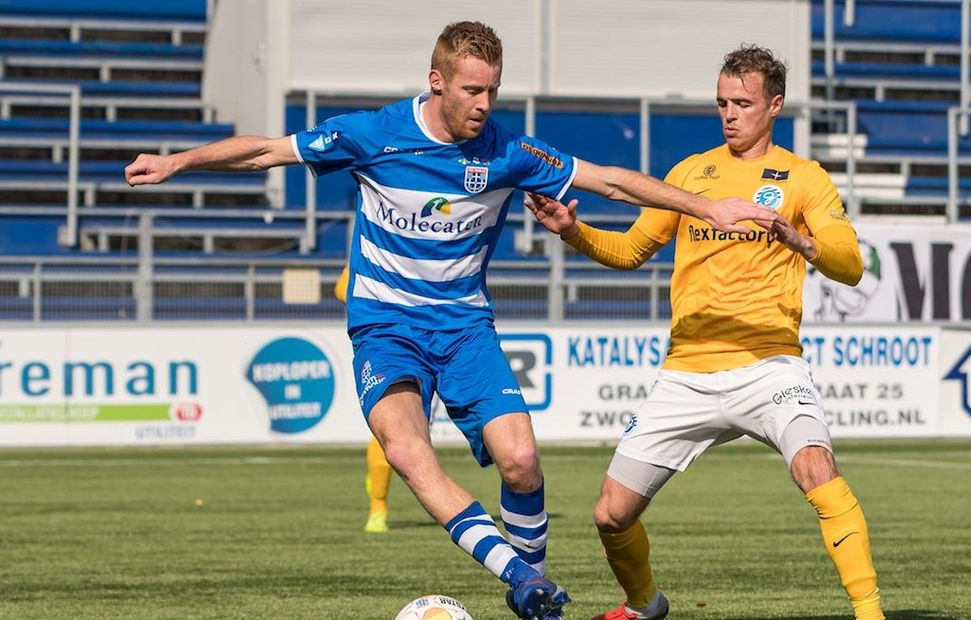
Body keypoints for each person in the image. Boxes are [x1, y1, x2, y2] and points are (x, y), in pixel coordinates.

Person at [123, 22, 775, 620]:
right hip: (385, 327)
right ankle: (519, 575)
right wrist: (177, 162)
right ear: (436, 82)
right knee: (408, 451)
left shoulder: (508, 151)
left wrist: (706, 207)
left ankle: (534, 590)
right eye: (471, 90)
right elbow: (266, 151)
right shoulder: (374, 134)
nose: (484, 103)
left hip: (464, 328)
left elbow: (611, 181)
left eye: (492, 89)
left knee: (520, 461)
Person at [527, 44, 884, 620]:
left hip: (769, 365)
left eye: (742, 103)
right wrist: (574, 231)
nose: (729, 113)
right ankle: (644, 605)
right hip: (687, 373)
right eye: (722, 102)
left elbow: (850, 263)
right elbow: (631, 250)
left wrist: (802, 242)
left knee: (818, 469)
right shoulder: (690, 175)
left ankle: (871, 613)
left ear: (775, 105)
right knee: (610, 514)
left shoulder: (804, 177)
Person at [336, 266, 393, 534]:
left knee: (415, 434)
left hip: (441, 342)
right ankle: (377, 507)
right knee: (391, 429)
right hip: (388, 345)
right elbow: (342, 285)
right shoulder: (380, 235)